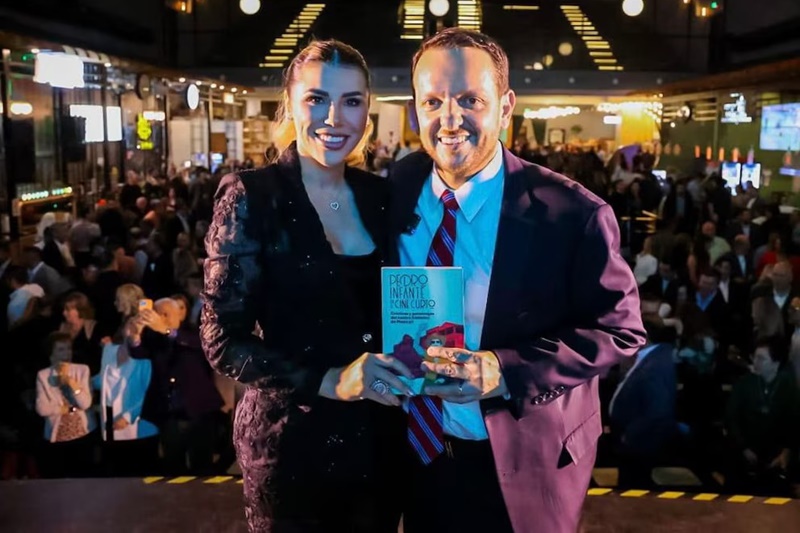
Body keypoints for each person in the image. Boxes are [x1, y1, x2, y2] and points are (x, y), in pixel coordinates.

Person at [389, 28, 646, 533]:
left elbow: (620, 330)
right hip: (418, 457)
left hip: (525, 463)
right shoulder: (398, 187)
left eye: (470, 100)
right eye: (433, 101)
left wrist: (503, 370)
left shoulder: (571, 214)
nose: (449, 119)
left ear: (506, 107)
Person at [201, 39, 412, 532]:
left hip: (380, 444)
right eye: (317, 98)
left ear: (367, 111)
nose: (334, 118)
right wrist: (329, 380)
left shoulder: (381, 196)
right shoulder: (253, 195)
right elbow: (220, 339)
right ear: (291, 104)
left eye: (351, 101)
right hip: (291, 449)